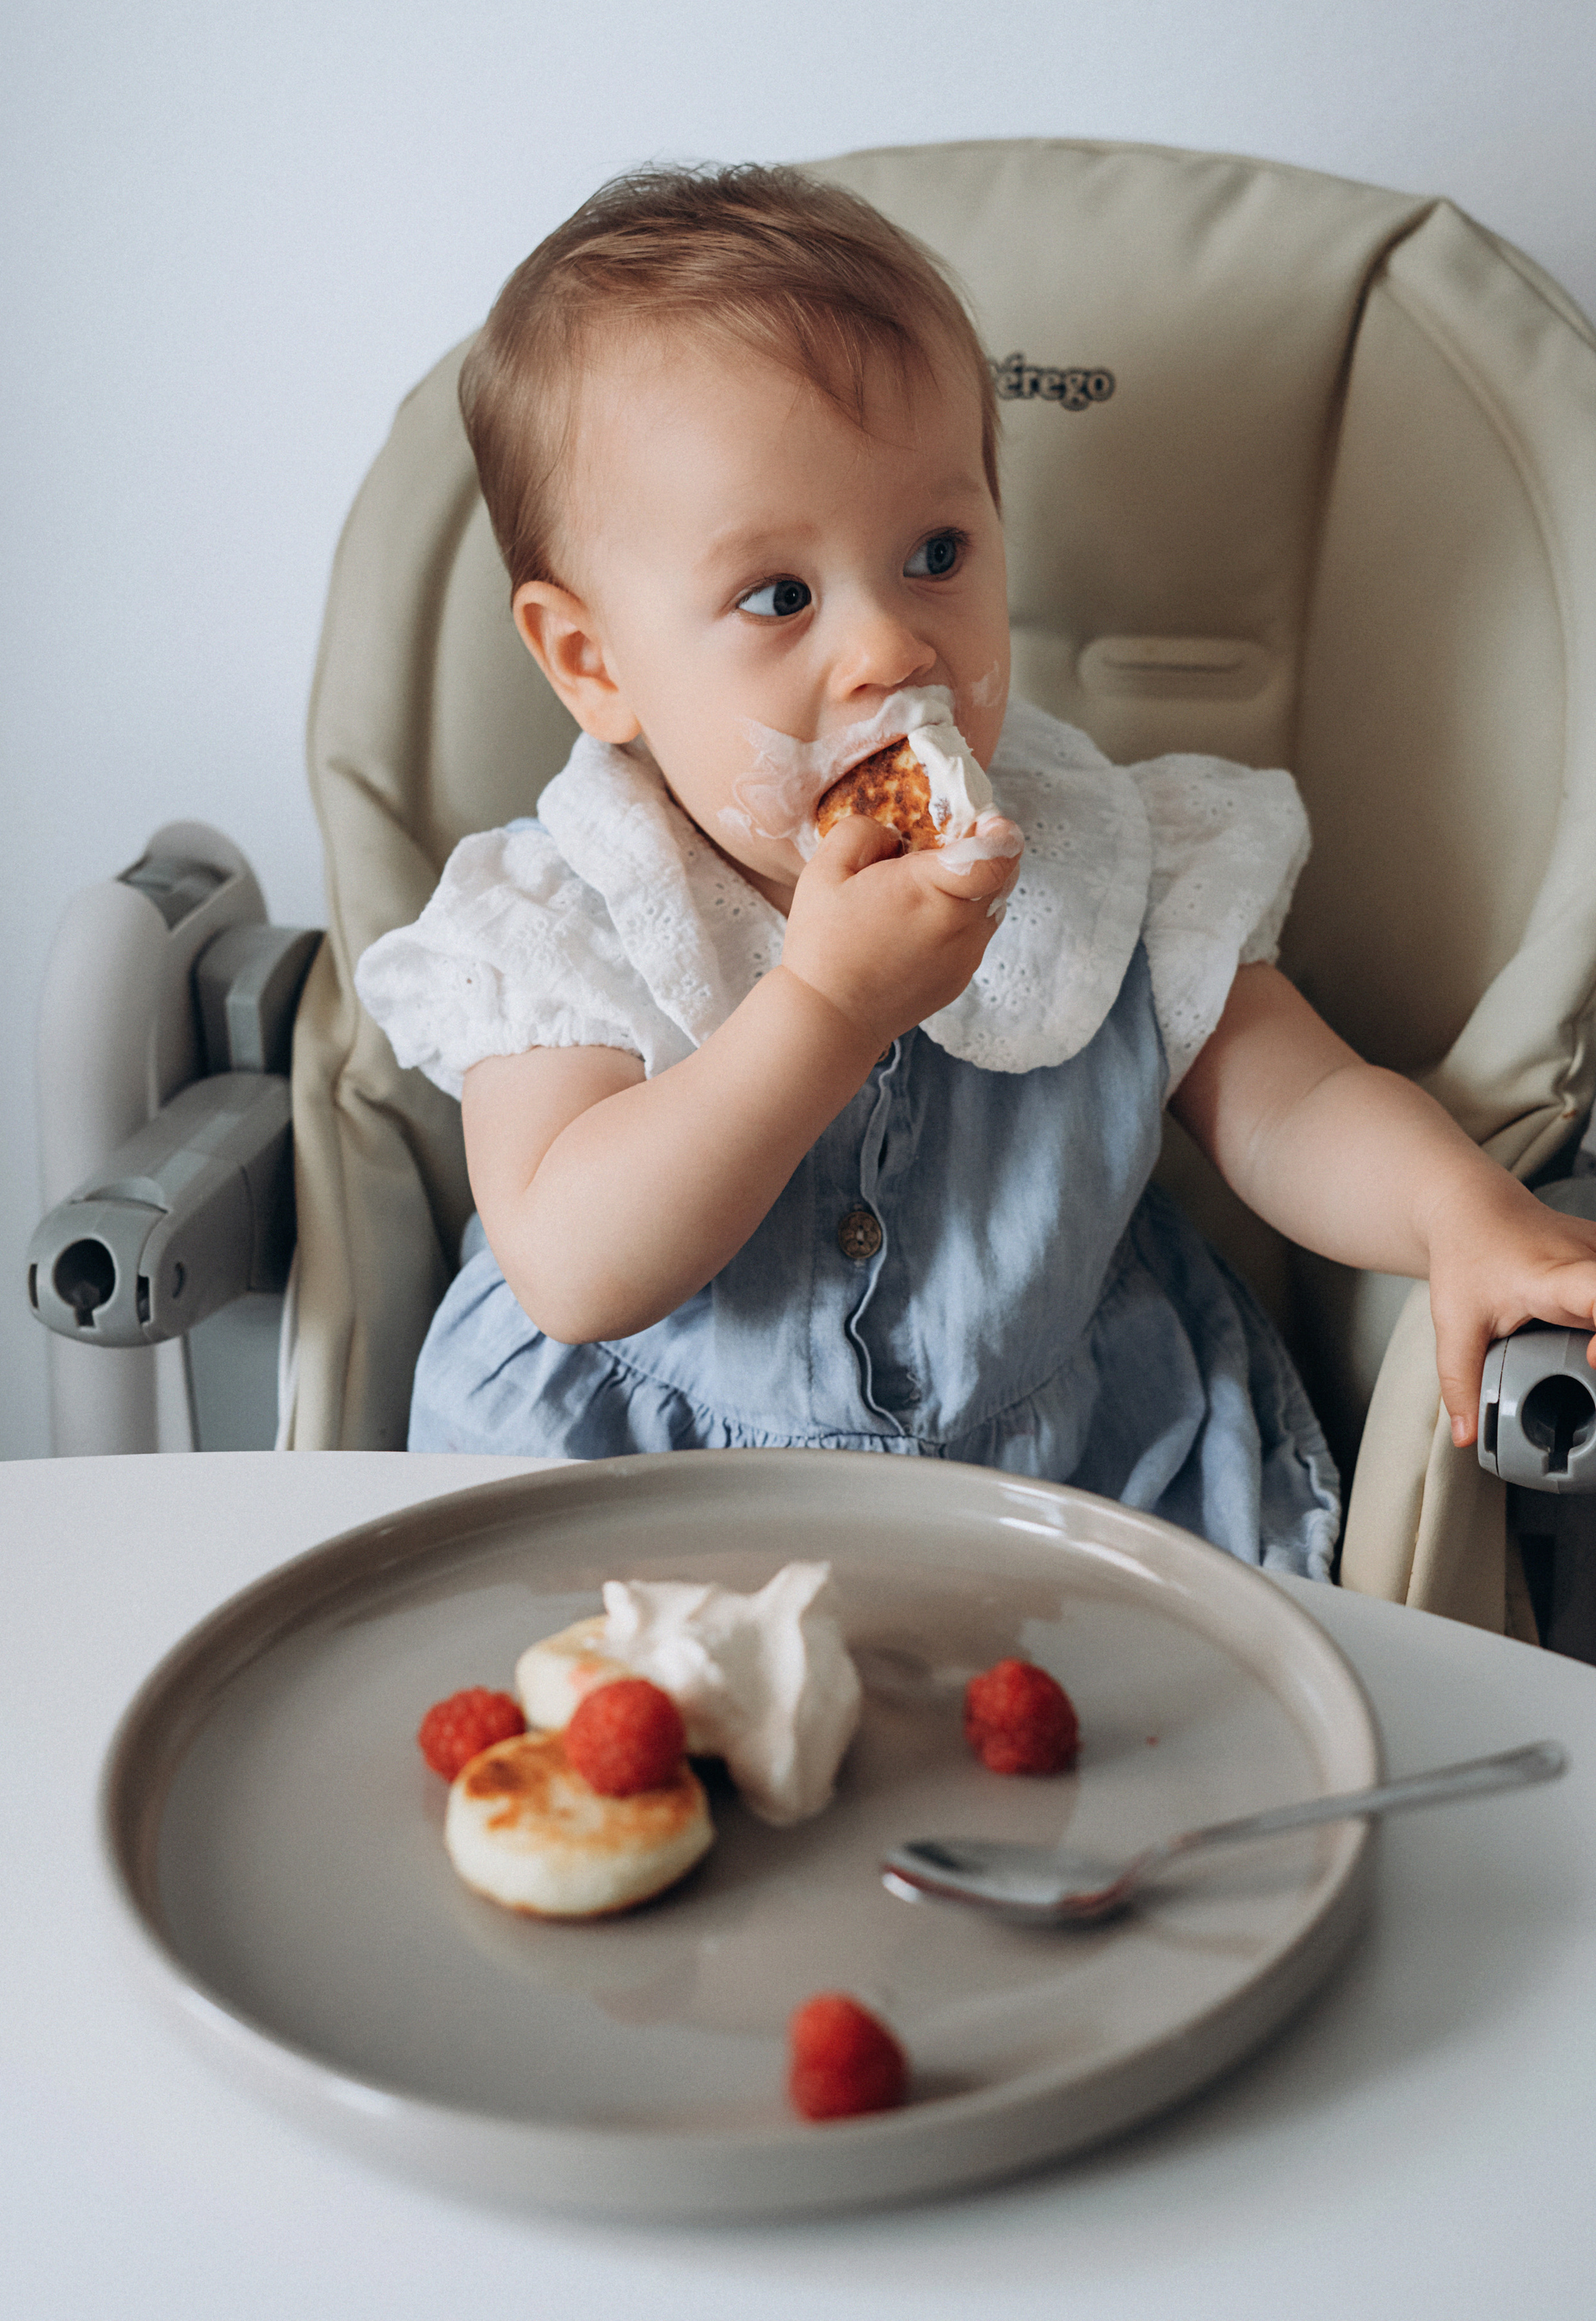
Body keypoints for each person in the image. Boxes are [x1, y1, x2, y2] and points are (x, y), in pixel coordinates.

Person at [356, 163, 1596, 1579]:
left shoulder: (1109, 856)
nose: (890, 649)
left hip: (1065, 1485)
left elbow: (1291, 1104)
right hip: (637, 1505)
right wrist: (822, 1010)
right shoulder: (560, 914)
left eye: (935, 552)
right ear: (593, 663)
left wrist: (1455, 1211)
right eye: (778, 596)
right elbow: (576, 1269)